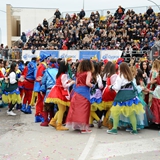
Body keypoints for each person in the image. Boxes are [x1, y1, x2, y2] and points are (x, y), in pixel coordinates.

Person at [107, 62, 145, 135]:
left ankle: (114, 129)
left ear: (120, 68)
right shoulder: (129, 75)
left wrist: (111, 87)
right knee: (131, 113)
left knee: (116, 112)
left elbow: (117, 87)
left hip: (122, 95)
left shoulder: (120, 75)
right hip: (131, 95)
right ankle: (134, 130)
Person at [66, 59, 94, 133]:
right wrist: (93, 85)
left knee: (76, 109)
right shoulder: (88, 72)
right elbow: (88, 83)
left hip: (77, 92)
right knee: (84, 109)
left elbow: (77, 82)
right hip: (84, 92)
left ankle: (76, 126)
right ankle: (83, 128)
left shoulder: (79, 73)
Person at [45, 60, 75, 131]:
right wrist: (72, 82)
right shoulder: (64, 75)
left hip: (57, 92)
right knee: (62, 109)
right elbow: (65, 85)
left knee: (62, 109)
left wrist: (68, 81)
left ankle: (53, 121)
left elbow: (61, 82)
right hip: (61, 93)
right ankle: (59, 124)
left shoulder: (59, 74)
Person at [40, 58, 58, 127]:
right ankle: (52, 120)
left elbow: (43, 82)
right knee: (54, 106)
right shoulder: (58, 71)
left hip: (49, 90)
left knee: (46, 105)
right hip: (56, 90)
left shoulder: (47, 71)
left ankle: (45, 121)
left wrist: (42, 89)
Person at [34, 52, 51, 122]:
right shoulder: (42, 66)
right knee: (41, 101)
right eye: (47, 58)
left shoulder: (42, 66)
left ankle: (39, 115)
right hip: (41, 86)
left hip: (40, 85)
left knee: (40, 101)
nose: (48, 60)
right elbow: (40, 77)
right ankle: (39, 115)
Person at [102, 63, 118, 129]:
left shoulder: (108, 74)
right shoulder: (115, 75)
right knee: (112, 109)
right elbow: (115, 85)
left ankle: (105, 121)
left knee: (110, 108)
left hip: (106, 90)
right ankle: (108, 123)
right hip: (111, 91)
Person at [89, 62, 103, 128]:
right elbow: (100, 86)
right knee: (92, 108)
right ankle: (90, 122)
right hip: (97, 93)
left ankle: (98, 119)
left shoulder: (90, 75)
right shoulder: (98, 75)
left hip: (90, 92)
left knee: (90, 108)